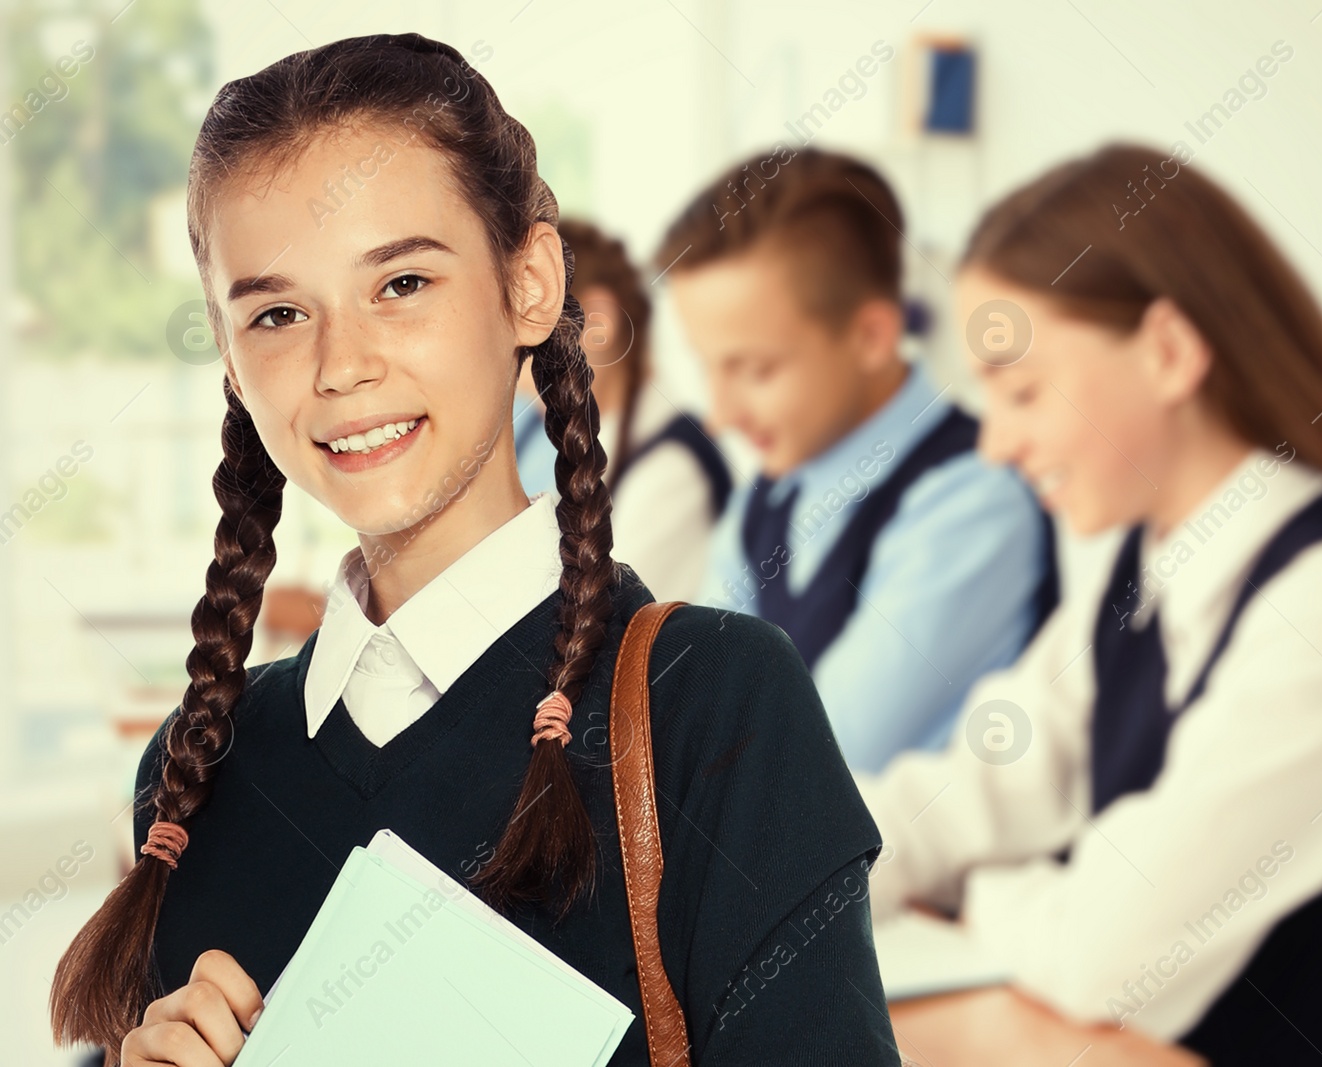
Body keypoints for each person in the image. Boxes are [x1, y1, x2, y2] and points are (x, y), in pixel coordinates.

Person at [49, 34, 899, 1067]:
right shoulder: (196, 767)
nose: (341, 364)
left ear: (530, 282)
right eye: (276, 313)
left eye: (401, 283)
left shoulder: (713, 705)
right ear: (229, 360)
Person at [855, 144, 1322, 1065]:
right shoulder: (1144, 569)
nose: (994, 442)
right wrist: (807, 862)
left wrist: (976, 892)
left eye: (1023, 390)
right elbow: (972, 791)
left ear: (1168, 351)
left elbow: (1106, 955)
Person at [657, 147, 1059, 773]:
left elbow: (812, 763)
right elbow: (687, 718)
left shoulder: (973, 495)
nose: (721, 414)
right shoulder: (763, 499)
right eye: (710, 366)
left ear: (871, 337)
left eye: (756, 369)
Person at [513, 219, 730, 602]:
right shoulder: (535, 431)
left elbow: (605, 620)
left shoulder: (673, 469)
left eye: (530, 336)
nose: (517, 376)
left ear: (598, 322)